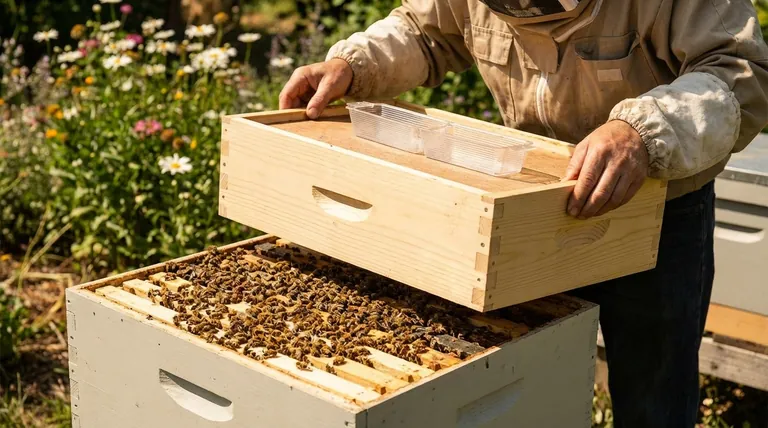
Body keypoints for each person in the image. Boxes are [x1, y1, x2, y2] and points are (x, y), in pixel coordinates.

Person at [279, 1, 768, 426]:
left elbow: (741, 72)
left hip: (658, 207)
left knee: (653, 396)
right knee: (528, 384)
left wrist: (644, 130)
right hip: (530, 205)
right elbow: (424, 30)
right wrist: (354, 65)